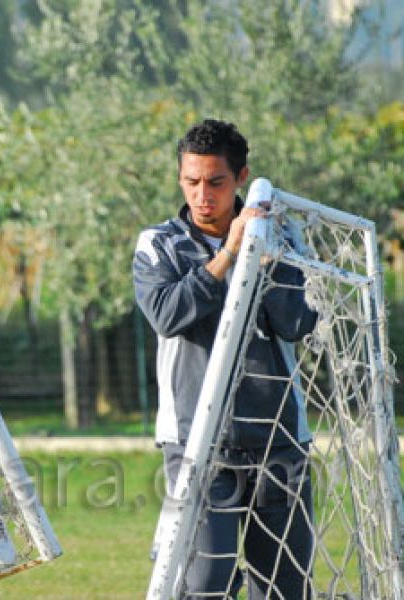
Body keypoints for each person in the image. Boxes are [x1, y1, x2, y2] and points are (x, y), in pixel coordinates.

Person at [133, 119, 318, 598]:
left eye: (215, 182)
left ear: (241, 177)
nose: (202, 195)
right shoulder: (158, 244)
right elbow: (168, 315)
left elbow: (295, 323)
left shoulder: (284, 236)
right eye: (191, 182)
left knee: (283, 587)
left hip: (278, 440)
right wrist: (228, 255)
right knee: (203, 584)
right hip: (195, 440)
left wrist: (263, 253)